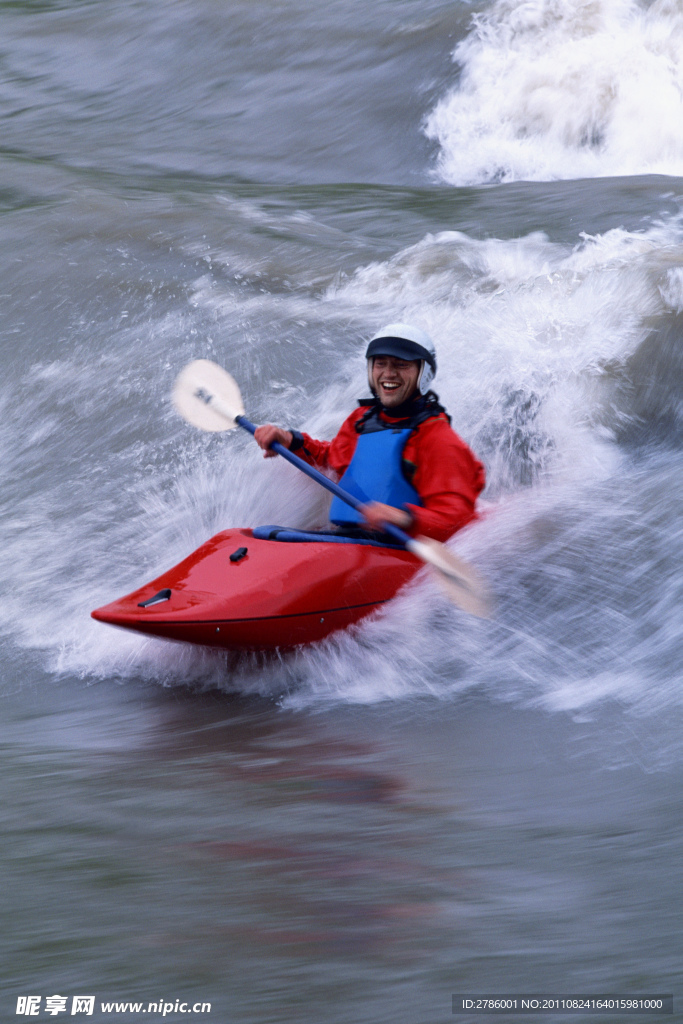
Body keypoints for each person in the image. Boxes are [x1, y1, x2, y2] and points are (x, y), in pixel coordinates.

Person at [253, 324, 485, 543]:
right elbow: (331, 461)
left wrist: (405, 518)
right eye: (380, 363)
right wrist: (291, 441)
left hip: (395, 548)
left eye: (401, 365)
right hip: (349, 539)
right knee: (263, 535)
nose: (388, 373)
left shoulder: (438, 439)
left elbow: (457, 519)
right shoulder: (362, 420)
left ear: (423, 374)